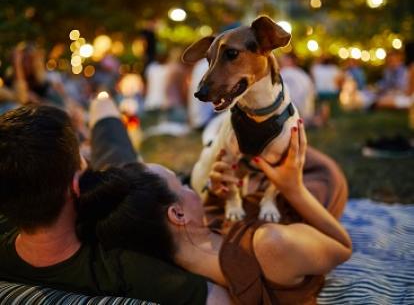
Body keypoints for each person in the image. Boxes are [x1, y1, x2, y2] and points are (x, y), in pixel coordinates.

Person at [76, 120, 352, 305]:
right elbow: (342, 247)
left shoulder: (180, 259)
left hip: (265, 202)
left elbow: (212, 230)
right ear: (178, 215)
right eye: (182, 185)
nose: (189, 188)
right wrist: (293, 188)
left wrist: (218, 196)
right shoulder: (270, 246)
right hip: (316, 189)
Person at [0, 100, 231, 304]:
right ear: (76, 185)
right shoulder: (127, 267)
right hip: (129, 183)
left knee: (103, 107)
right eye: (81, 156)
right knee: (103, 106)